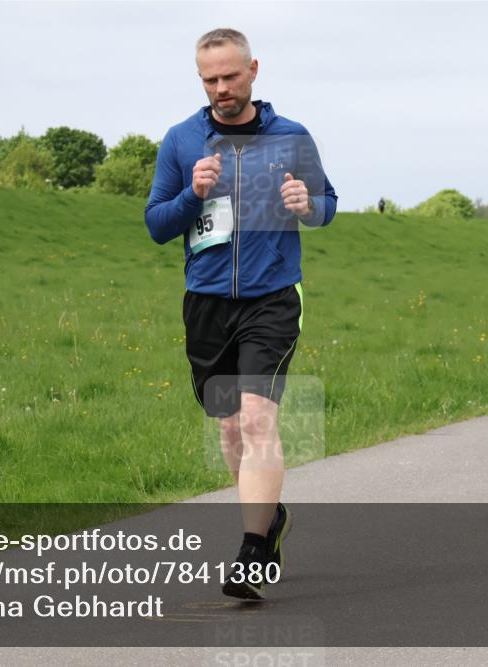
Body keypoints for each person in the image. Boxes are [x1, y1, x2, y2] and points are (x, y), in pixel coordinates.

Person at [145, 28, 337, 600]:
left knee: (256, 420)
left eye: (231, 76)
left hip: (273, 297)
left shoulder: (291, 137)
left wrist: (310, 206)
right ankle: (269, 516)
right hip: (206, 302)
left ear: (253, 69)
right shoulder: (182, 140)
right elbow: (157, 224)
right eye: (210, 80)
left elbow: (326, 203)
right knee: (230, 427)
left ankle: (253, 550)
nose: (221, 88)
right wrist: (191, 197)